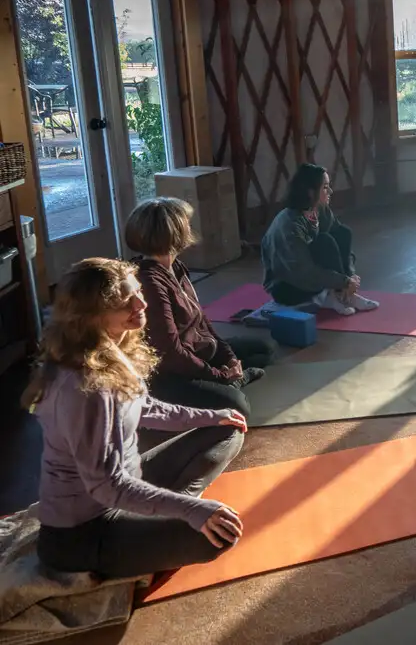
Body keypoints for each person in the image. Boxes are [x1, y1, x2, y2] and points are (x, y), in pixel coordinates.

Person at [25, 258, 248, 580]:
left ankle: (161, 512)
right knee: (218, 535)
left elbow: (147, 408)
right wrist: (191, 510)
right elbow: (107, 485)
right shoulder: (85, 387)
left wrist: (212, 416)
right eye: (123, 301)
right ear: (90, 316)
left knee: (226, 430)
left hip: (128, 485)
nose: (141, 303)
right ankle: (169, 512)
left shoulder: (113, 351)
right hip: (82, 534)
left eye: (137, 292)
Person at [127, 197, 272, 418]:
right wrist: (218, 375)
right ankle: (231, 384)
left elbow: (201, 319)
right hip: (173, 371)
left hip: (199, 350)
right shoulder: (149, 282)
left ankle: (233, 377)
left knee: (263, 351)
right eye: (186, 223)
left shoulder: (176, 267)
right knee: (237, 405)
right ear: (173, 232)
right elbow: (170, 352)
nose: (190, 228)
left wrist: (229, 357)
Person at [261, 163, 378, 317]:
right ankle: (337, 294)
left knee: (343, 232)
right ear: (310, 192)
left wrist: (349, 277)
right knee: (325, 241)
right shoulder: (289, 225)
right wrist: (343, 281)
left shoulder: (318, 209)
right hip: (287, 287)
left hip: (313, 278)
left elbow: (342, 238)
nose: (330, 191)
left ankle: (344, 295)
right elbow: (304, 272)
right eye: (325, 187)